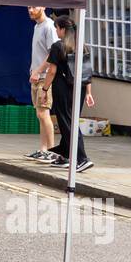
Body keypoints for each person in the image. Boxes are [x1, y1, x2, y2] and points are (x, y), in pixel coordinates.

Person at [36, 14, 96, 173]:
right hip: (80, 88)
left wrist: (44, 90)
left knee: (67, 122)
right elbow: (86, 73)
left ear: (62, 29)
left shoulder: (58, 46)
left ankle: (82, 158)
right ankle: (65, 154)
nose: (56, 31)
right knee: (70, 120)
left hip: (63, 88)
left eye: (57, 28)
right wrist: (89, 93)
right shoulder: (82, 46)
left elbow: (52, 71)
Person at [26, 6, 59, 162]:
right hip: (37, 75)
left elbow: (53, 53)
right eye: (29, 7)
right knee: (40, 114)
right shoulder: (37, 26)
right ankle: (43, 149)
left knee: (44, 113)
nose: (31, 10)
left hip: (45, 77)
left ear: (43, 7)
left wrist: (38, 71)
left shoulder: (49, 26)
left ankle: (52, 152)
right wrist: (33, 70)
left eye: (34, 7)